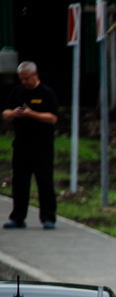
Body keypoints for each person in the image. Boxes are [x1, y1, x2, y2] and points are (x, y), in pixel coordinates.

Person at [2, 62, 59, 230]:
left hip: (42, 146)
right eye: (22, 79)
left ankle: (48, 217)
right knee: (20, 182)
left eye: (27, 78)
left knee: (44, 181)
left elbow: (52, 118)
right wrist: (14, 114)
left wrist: (31, 114)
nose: (24, 82)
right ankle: (18, 217)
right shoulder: (17, 92)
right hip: (21, 145)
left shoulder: (46, 93)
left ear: (35, 75)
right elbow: (5, 113)